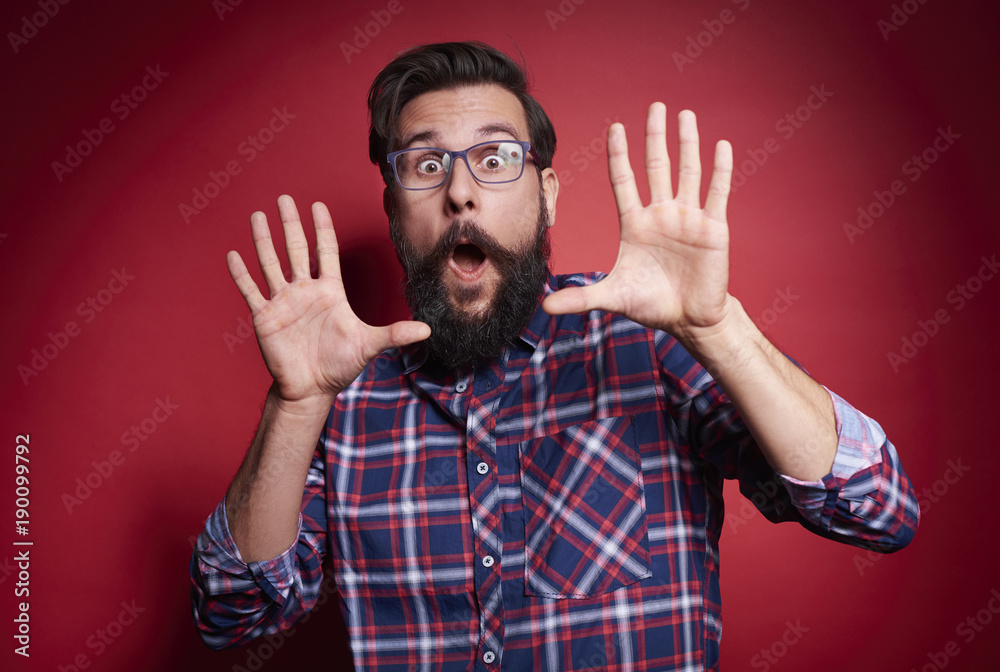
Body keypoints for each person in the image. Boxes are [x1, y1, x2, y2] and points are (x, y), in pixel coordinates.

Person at [190, 41, 919, 671]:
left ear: (548, 195)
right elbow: (231, 615)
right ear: (394, 212)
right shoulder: (342, 400)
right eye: (424, 165)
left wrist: (718, 327)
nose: (462, 193)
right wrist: (297, 403)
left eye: (496, 158)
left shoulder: (651, 345)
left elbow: (878, 510)